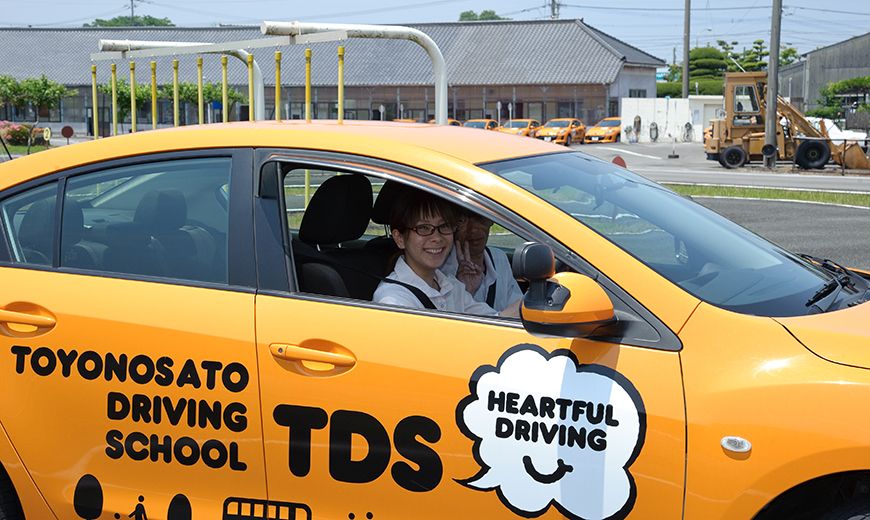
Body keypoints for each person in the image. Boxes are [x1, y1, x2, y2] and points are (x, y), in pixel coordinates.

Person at [372, 190, 519, 317]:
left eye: (444, 226)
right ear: (400, 238)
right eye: (423, 228)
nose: (436, 237)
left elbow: (494, 321)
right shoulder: (393, 301)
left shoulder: (449, 284)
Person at [441, 209, 523, 313]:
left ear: (491, 220)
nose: (473, 230)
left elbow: (518, 308)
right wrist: (463, 291)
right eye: (462, 221)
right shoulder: (440, 268)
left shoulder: (499, 258)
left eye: (480, 219)